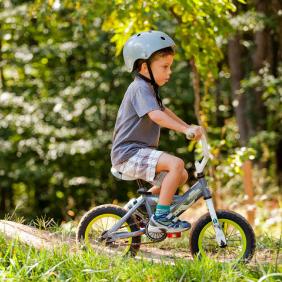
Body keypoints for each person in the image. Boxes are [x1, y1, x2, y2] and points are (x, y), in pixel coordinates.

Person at [110, 30, 203, 233]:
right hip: (128, 154)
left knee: (181, 175)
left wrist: (187, 127)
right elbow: (157, 116)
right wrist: (185, 130)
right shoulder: (139, 88)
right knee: (176, 164)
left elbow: (164, 110)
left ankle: (141, 209)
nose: (169, 72)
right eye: (165, 67)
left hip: (136, 152)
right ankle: (161, 218)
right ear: (144, 67)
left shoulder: (149, 88)